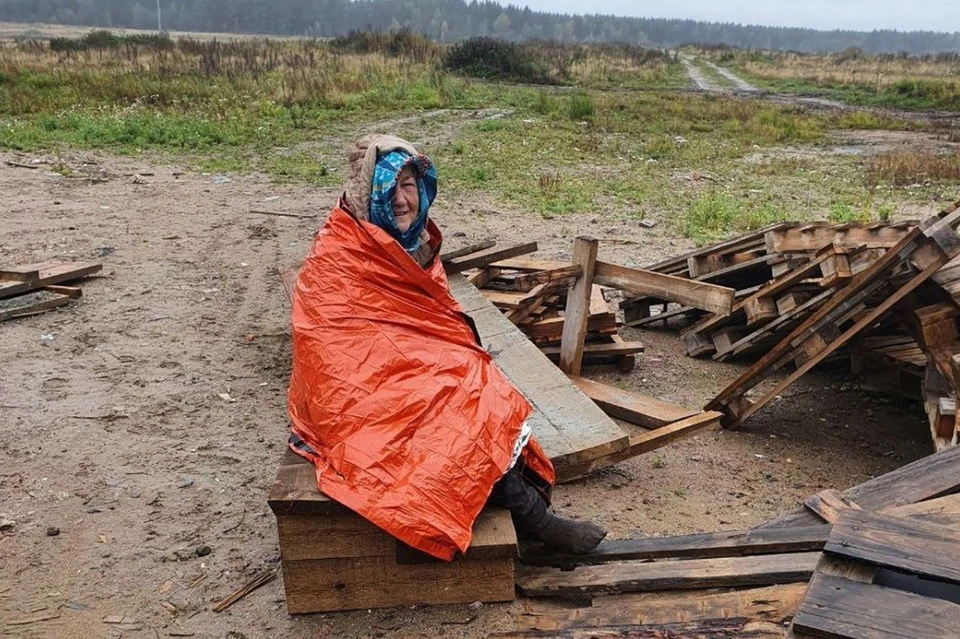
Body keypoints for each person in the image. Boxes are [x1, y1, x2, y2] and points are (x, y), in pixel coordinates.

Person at [288, 134, 606, 561]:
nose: (402, 200)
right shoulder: (341, 252)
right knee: (457, 407)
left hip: (397, 366)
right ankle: (537, 524)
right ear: (370, 194)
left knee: (480, 385)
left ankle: (526, 516)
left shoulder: (409, 243)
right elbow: (333, 342)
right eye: (390, 188)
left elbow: (426, 322)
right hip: (351, 393)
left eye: (409, 186)